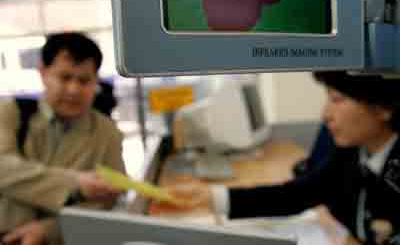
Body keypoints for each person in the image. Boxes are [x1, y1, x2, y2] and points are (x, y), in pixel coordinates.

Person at [166, 71, 400, 243]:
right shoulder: (352, 152)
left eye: (337, 99)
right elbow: (296, 195)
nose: (325, 114)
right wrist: (210, 197)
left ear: (383, 107)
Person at [0, 32, 125, 245]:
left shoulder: (107, 132)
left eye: (84, 80)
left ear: (96, 80)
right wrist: (76, 183)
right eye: (65, 77)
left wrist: (50, 230)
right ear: (43, 72)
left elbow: (109, 200)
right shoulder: (9, 113)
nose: (74, 89)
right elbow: (4, 168)